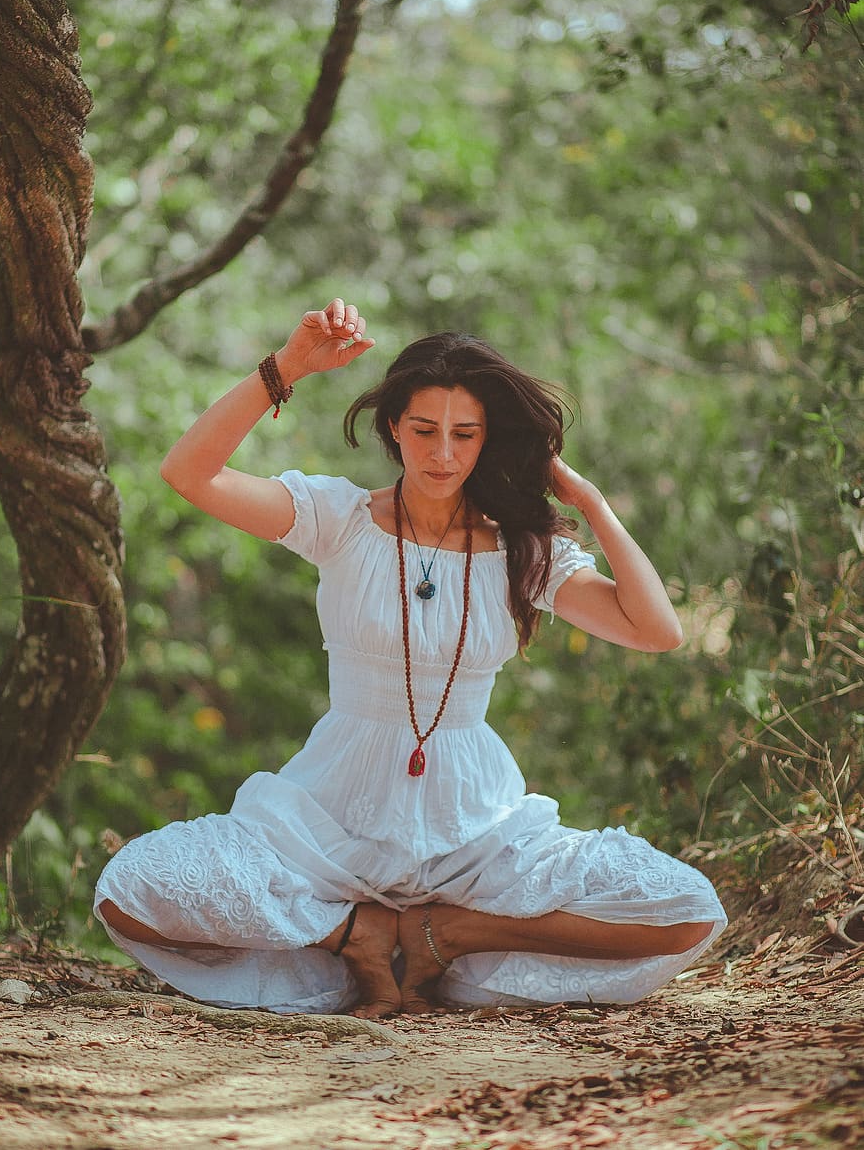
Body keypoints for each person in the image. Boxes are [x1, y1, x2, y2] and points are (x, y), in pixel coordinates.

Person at [95, 298, 726, 1018]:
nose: (444, 454)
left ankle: (443, 935)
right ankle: (355, 935)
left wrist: (593, 504)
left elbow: (658, 630)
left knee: (687, 908)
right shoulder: (338, 519)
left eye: (466, 434)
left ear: (489, 441)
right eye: (425, 429)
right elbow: (189, 472)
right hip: (331, 824)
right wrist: (288, 366)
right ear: (393, 426)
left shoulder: (525, 552)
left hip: (475, 834)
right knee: (135, 886)